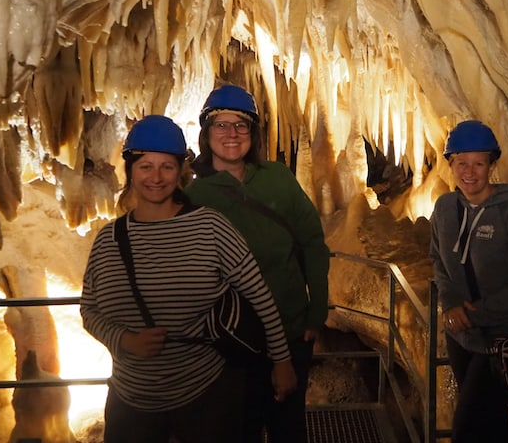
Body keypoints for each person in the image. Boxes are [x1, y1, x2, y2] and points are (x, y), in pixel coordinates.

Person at [80, 115, 297, 443]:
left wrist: (281, 361)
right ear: (130, 171)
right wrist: (124, 340)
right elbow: (89, 310)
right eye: (145, 166)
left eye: (166, 167)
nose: (156, 177)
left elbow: (260, 296)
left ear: (181, 172)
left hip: (206, 395)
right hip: (130, 402)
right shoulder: (108, 240)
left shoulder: (210, 226)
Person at [185, 84, 330, 443]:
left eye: (241, 125)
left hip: (292, 325)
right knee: (236, 428)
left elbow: (312, 241)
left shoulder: (277, 178)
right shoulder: (193, 196)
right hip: (231, 339)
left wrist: (317, 312)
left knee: (288, 426)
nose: (231, 134)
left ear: (253, 133)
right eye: (221, 125)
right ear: (206, 133)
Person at [429, 120, 508, 442]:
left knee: (466, 428)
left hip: (503, 338)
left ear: (492, 165)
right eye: (461, 162)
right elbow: (437, 259)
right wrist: (449, 302)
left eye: (479, 163)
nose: (470, 171)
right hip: (460, 335)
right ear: (450, 164)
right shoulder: (445, 207)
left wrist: (478, 312)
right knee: (491, 423)